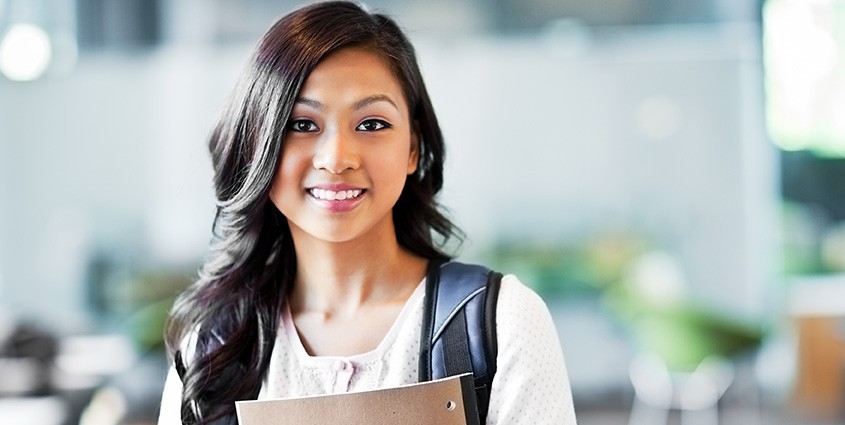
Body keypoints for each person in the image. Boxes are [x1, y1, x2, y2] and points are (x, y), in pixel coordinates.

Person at [156, 2, 576, 424]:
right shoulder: (213, 349)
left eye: (372, 124)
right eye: (302, 124)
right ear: (258, 144)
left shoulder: (503, 323)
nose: (337, 159)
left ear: (413, 147)